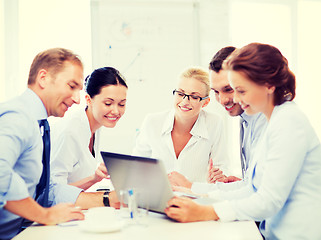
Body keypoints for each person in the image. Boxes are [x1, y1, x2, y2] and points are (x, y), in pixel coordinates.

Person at [165, 43, 321, 240]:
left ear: (269, 86)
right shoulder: (273, 119)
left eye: (241, 90)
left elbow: (268, 200)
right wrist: (195, 192)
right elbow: (252, 187)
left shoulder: (288, 122)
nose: (233, 99)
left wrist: (206, 211)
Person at [0, 48, 118, 240]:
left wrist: (105, 200)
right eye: (72, 86)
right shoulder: (18, 118)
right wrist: (44, 215)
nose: (77, 99)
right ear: (43, 78)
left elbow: (47, 189)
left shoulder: (39, 124)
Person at [168, 47, 266, 195]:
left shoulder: (269, 121)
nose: (223, 100)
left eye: (229, 89)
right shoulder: (245, 120)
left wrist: (192, 188)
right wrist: (242, 184)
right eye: (216, 92)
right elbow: (256, 185)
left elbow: (264, 195)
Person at [133, 67, 228, 183]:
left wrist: (218, 176)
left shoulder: (214, 123)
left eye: (194, 97)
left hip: (195, 197)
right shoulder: (152, 122)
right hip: (158, 197)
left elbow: (222, 167)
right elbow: (136, 165)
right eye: (180, 93)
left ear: (205, 102)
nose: (185, 101)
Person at [50, 67, 128, 190]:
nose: (116, 111)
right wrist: (93, 179)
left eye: (122, 104)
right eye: (108, 103)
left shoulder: (96, 124)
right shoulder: (70, 132)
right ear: (88, 100)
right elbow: (53, 192)